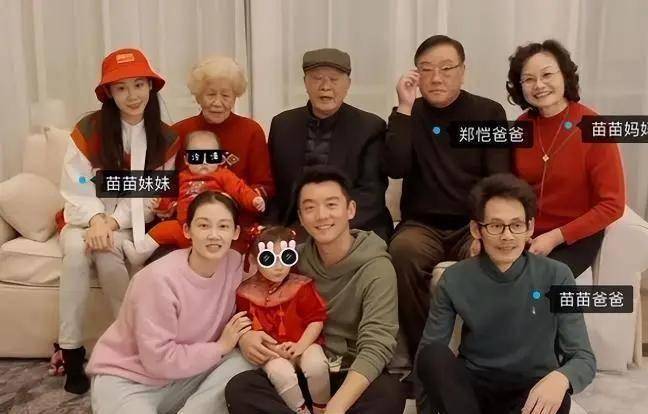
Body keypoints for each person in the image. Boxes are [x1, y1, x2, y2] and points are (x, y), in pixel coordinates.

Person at [226, 166, 406, 414]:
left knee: (389, 392)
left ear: (350, 209)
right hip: (297, 370)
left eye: (331, 205)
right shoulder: (291, 259)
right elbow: (255, 295)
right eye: (310, 208)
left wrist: (337, 407)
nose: (321, 215)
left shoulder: (377, 268)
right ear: (300, 217)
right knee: (241, 388)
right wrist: (246, 337)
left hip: (348, 373)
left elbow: (377, 344)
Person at [55, 48, 180, 394]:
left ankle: (128, 344)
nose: (132, 95)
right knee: (77, 253)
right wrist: (95, 218)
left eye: (139, 85)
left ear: (150, 87)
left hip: (126, 223)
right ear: (108, 92)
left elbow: (152, 193)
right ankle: (71, 352)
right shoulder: (88, 129)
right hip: (82, 219)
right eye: (121, 88)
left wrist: (109, 224)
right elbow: (78, 182)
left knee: (108, 253)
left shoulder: (166, 138)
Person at [416, 173, 595, 414]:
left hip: (530, 391)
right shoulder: (454, 278)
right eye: (496, 226)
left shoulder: (557, 275)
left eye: (516, 225)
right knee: (432, 355)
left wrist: (561, 378)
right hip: (472, 393)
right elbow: (429, 353)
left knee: (559, 399)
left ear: (530, 227)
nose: (507, 236)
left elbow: (583, 357)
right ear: (476, 229)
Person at [386, 35, 512, 359]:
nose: (436, 78)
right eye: (426, 69)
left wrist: (484, 229)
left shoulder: (488, 112)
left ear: (463, 71)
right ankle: (426, 357)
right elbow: (395, 168)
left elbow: (498, 181)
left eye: (446, 68)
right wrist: (403, 107)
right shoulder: (409, 114)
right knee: (401, 254)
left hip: (470, 224)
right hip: (421, 225)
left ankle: (477, 358)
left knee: (490, 259)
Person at [87, 191, 255, 413]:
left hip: (188, 376)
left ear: (235, 233)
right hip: (131, 379)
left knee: (246, 362)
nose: (214, 235)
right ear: (187, 230)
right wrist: (220, 347)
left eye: (223, 226)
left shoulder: (235, 265)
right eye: (204, 226)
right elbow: (157, 361)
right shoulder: (158, 280)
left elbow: (269, 290)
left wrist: (247, 337)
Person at [507, 39, 625, 277]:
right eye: (528, 79)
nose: (539, 85)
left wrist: (555, 237)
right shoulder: (521, 126)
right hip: (525, 234)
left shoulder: (594, 127)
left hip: (574, 237)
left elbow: (612, 204)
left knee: (532, 283)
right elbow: (510, 189)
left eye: (547, 75)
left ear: (565, 76)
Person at [267, 48, 393, 241]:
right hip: (294, 227)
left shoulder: (370, 127)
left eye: (334, 80)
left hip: (355, 227)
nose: (325, 87)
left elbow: (370, 196)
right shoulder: (282, 125)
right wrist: (271, 230)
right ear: (305, 82)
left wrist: (320, 229)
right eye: (317, 78)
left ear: (348, 84)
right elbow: (274, 190)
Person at [173, 56, 275, 252]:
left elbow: (265, 186)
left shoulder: (251, 131)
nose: (217, 103)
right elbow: (169, 182)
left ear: (235, 97)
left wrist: (232, 200)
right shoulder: (180, 131)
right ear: (198, 96)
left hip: (237, 223)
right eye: (210, 94)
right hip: (188, 225)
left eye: (226, 95)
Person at [123, 130, 265, 265]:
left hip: (212, 229)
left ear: (220, 159)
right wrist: (160, 204)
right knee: (161, 230)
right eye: (196, 157)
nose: (204, 163)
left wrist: (254, 200)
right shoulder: (181, 177)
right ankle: (139, 253)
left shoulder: (223, 175)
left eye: (211, 157)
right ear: (186, 160)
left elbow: (240, 190)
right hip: (183, 228)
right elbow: (169, 199)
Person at [236, 225, 329, 414]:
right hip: (272, 352)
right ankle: (301, 411)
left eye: (286, 257)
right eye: (268, 259)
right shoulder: (245, 293)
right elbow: (246, 329)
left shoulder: (301, 286)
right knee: (280, 374)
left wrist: (301, 345)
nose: (279, 266)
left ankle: (323, 409)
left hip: (305, 344)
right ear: (254, 259)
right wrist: (271, 349)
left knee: (317, 365)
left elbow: (316, 319)